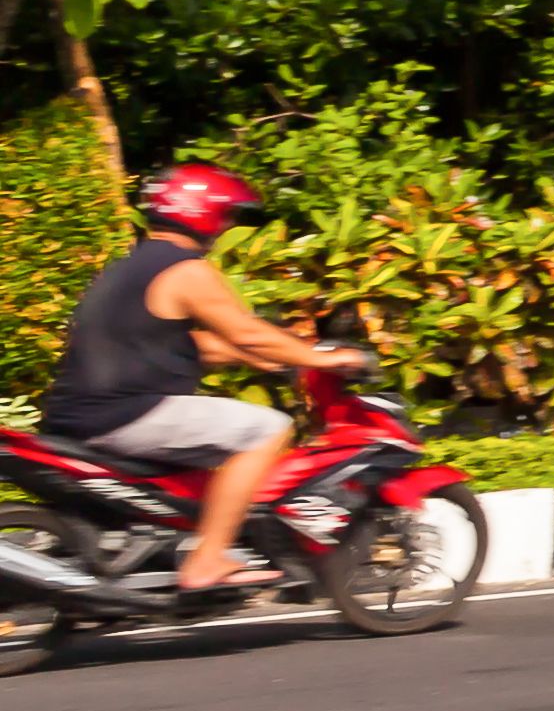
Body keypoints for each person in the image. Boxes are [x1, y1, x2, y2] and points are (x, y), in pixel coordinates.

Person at [31, 163, 360, 600]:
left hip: (79, 416)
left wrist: (267, 362)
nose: (225, 229)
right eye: (226, 218)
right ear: (205, 215)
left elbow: (197, 344)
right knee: (267, 428)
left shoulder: (127, 269)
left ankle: (166, 547)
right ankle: (209, 558)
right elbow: (244, 331)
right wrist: (325, 358)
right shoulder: (187, 271)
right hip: (129, 413)